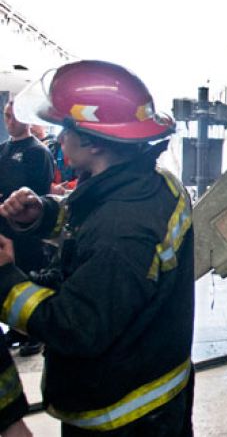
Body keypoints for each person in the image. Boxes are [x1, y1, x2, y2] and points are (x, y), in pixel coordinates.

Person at [0, 60, 194, 435]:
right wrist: (41, 213)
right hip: (151, 390)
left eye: (64, 129)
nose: (58, 139)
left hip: (124, 415)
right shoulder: (150, 183)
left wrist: (5, 280)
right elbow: (91, 217)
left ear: (90, 141)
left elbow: (77, 327)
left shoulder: (123, 230)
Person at [0, 102, 54, 357]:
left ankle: (33, 332)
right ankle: (16, 327)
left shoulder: (37, 152)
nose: (9, 121)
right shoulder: (3, 150)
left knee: (30, 274)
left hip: (28, 231)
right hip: (4, 227)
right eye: (6, 116)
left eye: (13, 116)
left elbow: (40, 195)